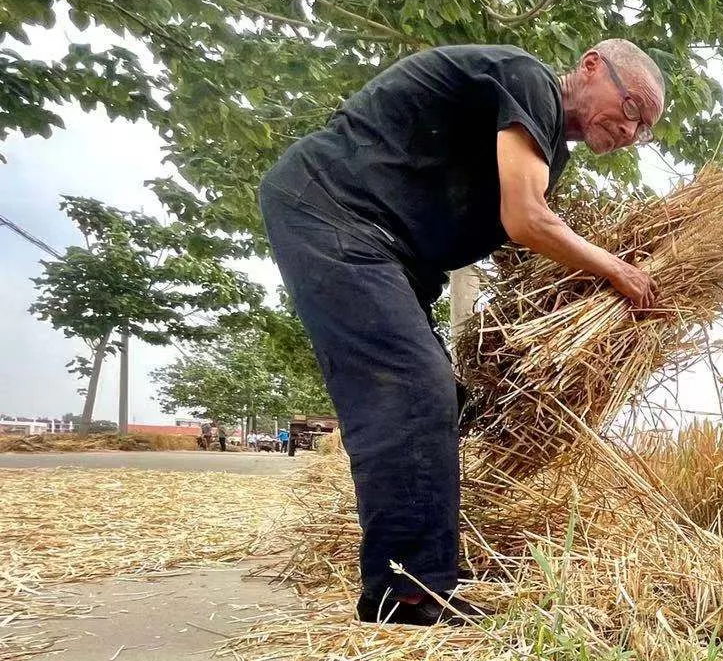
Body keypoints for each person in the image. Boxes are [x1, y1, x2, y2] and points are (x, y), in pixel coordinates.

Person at [259, 41, 664, 626]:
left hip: (393, 253)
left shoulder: (546, 144)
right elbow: (526, 218)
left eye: (642, 129)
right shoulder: (529, 82)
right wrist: (618, 270)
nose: (629, 131)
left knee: (441, 393)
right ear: (593, 65)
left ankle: (420, 564)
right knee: (412, 384)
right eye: (631, 109)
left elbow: (510, 224)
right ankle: (406, 592)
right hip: (335, 210)